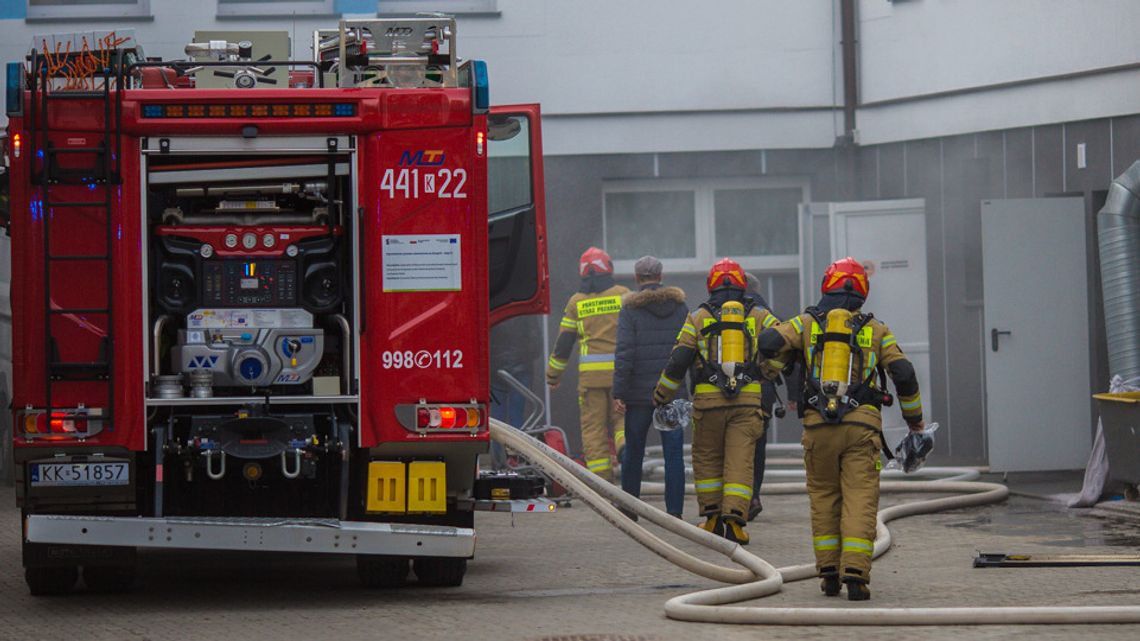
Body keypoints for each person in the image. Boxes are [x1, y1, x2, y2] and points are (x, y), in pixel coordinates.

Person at [757, 257, 924, 601]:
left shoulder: (806, 323)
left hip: (818, 427)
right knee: (860, 500)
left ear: (826, 285)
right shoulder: (875, 329)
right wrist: (915, 421)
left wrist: (783, 359)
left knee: (823, 498)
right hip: (861, 428)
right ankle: (856, 576)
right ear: (863, 290)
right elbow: (904, 374)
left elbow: (769, 341)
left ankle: (829, 575)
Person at [652, 258, 775, 544]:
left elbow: (679, 360)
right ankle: (735, 523)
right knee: (740, 460)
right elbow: (779, 344)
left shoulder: (697, 317)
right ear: (743, 283)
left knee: (707, 458)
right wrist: (766, 372)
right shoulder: (760, 316)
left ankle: (711, 519)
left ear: (711, 285)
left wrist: (661, 395)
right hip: (747, 403)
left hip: (708, 403)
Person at [612, 256, 688, 518]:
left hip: (638, 396)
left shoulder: (630, 310)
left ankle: (630, 508)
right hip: (673, 393)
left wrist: (619, 392)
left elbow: (625, 352)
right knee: (674, 456)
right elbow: (689, 349)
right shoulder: (680, 308)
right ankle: (674, 513)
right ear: (660, 275)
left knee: (633, 452)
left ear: (636, 278)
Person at [546, 247, 630, 482]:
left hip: (591, 381)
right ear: (609, 268)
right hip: (620, 376)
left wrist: (553, 375)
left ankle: (602, 483)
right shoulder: (623, 295)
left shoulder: (576, 302)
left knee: (593, 431)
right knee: (622, 418)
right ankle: (624, 446)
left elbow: (564, 343)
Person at [743, 272, 782, 521]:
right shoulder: (768, 315)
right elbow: (787, 348)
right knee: (758, 444)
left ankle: (735, 498)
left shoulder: (722, 312)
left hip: (730, 389)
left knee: (734, 445)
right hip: (763, 387)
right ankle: (753, 495)